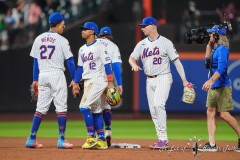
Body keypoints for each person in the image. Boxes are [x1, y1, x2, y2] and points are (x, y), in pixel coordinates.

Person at [128, 17, 190, 149]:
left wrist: (184, 80)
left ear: (153, 26)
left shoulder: (165, 42)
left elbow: (176, 62)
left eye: (144, 26)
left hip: (163, 77)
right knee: (153, 110)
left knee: (158, 104)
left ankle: (163, 139)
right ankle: (160, 138)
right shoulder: (142, 44)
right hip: (149, 79)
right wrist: (133, 64)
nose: (142, 28)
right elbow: (131, 58)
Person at [25, 12, 75, 149]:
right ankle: (61, 140)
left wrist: (35, 79)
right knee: (61, 108)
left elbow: (36, 61)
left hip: (43, 75)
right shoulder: (62, 40)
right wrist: (75, 79)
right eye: (62, 25)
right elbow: (70, 62)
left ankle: (31, 138)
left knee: (40, 109)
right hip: (57, 74)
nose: (63, 27)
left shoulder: (38, 38)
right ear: (57, 25)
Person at [70, 22, 114, 149]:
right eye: (82, 29)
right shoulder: (82, 49)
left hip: (98, 79)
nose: (82, 31)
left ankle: (90, 137)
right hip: (88, 80)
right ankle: (101, 139)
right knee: (95, 111)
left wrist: (110, 83)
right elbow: (80, 68)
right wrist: (75, 82)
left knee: (84, 106)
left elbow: (107, 65)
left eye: (85, 29)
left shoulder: (100, 46)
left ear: (92, 31)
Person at [199, 25, 240, 152]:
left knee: (224, 115)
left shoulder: (223, 49)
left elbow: (222, 68)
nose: (210, 35)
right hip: (214, 85)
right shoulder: (214, 48)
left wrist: (211, 80)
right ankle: (211, 144)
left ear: (217, 35)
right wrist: (208, 47)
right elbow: (207, 64)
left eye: (212, 33)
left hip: (222, 85)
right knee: (210, 111)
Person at [97, 26, 123, 147]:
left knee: (95, 109)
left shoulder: (94, 43)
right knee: (106, 106)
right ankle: (108, 130)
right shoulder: (113, 46)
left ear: (100, 34)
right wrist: (120, 84)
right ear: (110, 36)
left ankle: (97, 135)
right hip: (107, 79)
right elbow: (116, 66)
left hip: (94, 78)